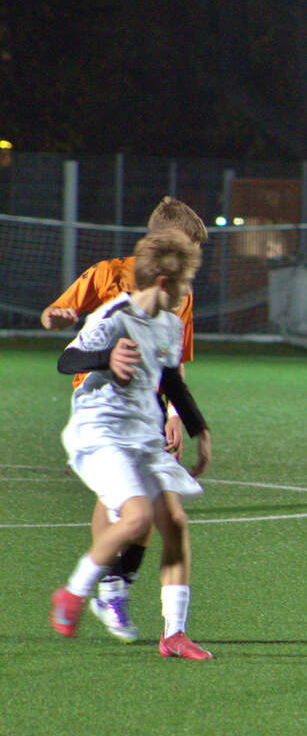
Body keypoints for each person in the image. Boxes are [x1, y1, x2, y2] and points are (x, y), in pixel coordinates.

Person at [39, 196, 207, 642]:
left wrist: (182, 417)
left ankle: (140, 606)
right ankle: (99, 589)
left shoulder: (177, 300)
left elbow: (172, 367)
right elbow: (63, 338)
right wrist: (62, 322)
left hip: (143, 407)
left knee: (160, 510)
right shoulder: (110, 281)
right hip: (102, 409)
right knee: (127, 507)